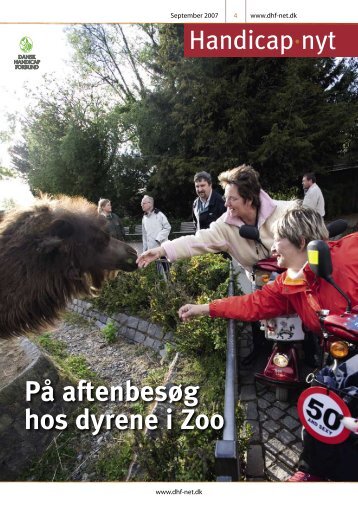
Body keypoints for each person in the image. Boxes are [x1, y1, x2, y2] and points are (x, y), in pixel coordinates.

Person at [137, 164, 293, 362]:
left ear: (250, 199)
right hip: (259, 280)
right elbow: (197, 240)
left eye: (232, 198)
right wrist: (161, 250)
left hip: (292, 280)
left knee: (299, 316)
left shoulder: (286, 212)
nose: (226, 204)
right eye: (225, 197)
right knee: (256, 313)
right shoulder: (225, 224)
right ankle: (261, 351)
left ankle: (310, 351)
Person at [177, 207, 358, 339]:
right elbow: (251, 304)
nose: (272, 248)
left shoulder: (350, 251)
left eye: (277, 240)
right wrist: (203, 308)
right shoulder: (288, 284)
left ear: (300, 242)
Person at [141, 195, 171, 276]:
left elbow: (167, 227)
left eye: (143, 203)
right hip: (150, 250)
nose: (141, 205)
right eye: (141, 203)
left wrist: (159, 238)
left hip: (161, 248)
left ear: (150, 204)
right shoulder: (144, 218)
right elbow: (144, 235)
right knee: (155, 272)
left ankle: (169, 285)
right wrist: (144, 250)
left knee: (167, 271)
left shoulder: (160, 215)